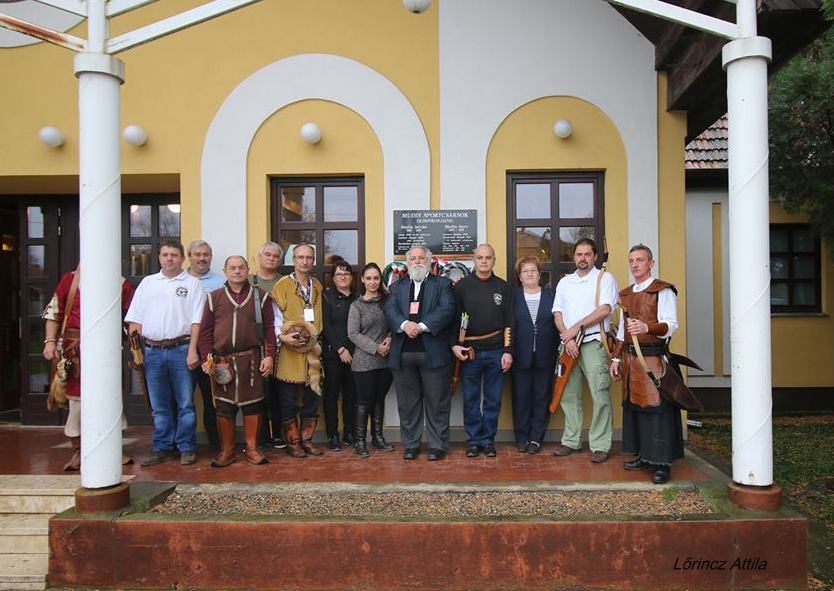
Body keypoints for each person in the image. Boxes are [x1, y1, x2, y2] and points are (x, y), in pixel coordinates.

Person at [42, 266, 135, 470]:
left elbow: (132, 318)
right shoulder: (69, 281)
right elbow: (54, 312)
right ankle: (78, 451)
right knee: (77, 401)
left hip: (107, 349)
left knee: (109, 397)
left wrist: (136, 349)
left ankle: (113, 449)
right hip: (75, 352)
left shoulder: (121, 283)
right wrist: (50, 341)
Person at [125, 239, 206, 466]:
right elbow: (135, 320)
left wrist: (193, 351)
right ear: (159, 258)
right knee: (159, 405)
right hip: (152, 351)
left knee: (185, 403)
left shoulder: (192, 284)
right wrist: (136, 351)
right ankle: (162, 447)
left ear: (182, 258)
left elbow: (197, 322)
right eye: (165, 255)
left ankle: (186, 447)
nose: (169, 258)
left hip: (181, 349)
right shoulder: (148, 283)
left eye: (174, 255)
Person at [610, 244, 682, 484]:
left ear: (651, 263)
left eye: (640, 260)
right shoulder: (626, 295)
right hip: (631, 361)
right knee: (636, 409)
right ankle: (643, 455)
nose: (635, 265)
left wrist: (647, 327)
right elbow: (622, 331)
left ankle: (661, 463)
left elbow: (670, 325)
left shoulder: (663, 290)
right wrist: (616, 358)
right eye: (631, 260)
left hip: (653, 360)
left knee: (657, 410)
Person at [197, 255, 277, 467]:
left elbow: (269, 329)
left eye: (241, 267)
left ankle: (252, 449)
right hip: (222, 361)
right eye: (232, 268)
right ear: (225, 271)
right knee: (224, 408)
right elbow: (205, 331)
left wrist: (269, 355)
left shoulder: (261, 296)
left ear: (247, 270)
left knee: (253, 406)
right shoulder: (214, 297)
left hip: (251, 360)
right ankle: (227, 451)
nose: (237, 271)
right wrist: (206, 358)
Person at [384, 245, 455, 461]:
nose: (417, 261)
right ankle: (411, 445)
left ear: (429, 261)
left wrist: (422, 326)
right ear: (407, 263)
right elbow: (390, 310)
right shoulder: (396, 287)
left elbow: (447, 310)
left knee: (437, 403)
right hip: (403, 355)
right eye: (413, 258)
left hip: (433, 355)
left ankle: (437, 446)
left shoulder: (442, 284)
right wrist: (405, 324)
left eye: (421, 258)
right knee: (408, 405)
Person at [551, 238, 618, 463]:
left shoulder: (604, 278)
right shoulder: (565, 282)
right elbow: (557, 313)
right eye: (579, 254)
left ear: (595, 256)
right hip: (567, 346)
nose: (583, 258)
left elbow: (605, 309)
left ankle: (600, 445)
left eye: (587, 254)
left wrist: (576, 328)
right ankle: (571, 441)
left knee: (600, 394)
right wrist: (567, 336)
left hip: (592, 343)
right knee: (569, 395)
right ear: (574, 257)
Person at [451, 244, 514, 458]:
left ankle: (488, 440)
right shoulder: (462, 287)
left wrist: (508, 350)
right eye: (480, 258)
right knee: (470, 398)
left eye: (488, 257)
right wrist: (454, 345)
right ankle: (473, 440)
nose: (484, 261)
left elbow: (510, 322)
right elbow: (454, 319)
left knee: (493, 400)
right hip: (470, 352)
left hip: (497, 351)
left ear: (494, 260)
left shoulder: (504, 287)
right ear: (474, 260)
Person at [272, 243, 324, 458]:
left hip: (313, 352)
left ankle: (307, 440)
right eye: (300, 257)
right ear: (293, 260)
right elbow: (274, 317)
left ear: (313, 260)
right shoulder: (283, 285)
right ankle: (293, 442)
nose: (305, 261)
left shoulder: (317, 285)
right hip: (289, 351)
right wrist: (282, 337)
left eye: (309, 257)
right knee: (288, 399)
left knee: (313, 396)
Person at [510, 256, 558, 454]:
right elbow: (509, 326)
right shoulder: (513, 297)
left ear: (539, 274)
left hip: (545, 355)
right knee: (521, 398)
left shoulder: (551, 296)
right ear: (520, 276)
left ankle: (536, 439)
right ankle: (522, 438)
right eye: (525, 271)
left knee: (541, 397)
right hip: (520, 356)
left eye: (533, 270)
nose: (529, 274)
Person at [347, 262, 393, 457]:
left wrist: (390, 338)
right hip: (364, 361)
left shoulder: (388, 301)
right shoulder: (356, 306)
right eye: (369, 278)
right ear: (362, 280)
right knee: (364, 401)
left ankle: (378, 437)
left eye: (376, 278)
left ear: (380, 280)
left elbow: (395, 323)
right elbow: (352, 333)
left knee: (379, 399)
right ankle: (360, 440)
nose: (373, 282)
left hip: (385, 360)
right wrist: (375, 348)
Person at [186, 239, 225, 452]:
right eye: (197, 254)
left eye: (206, 255)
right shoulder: (179, 281)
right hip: (182, 347)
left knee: (212, 400)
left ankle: (217, 446)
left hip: (210, 348)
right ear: (189, 257)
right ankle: (182, 446)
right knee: (182, 401)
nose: (202, 258)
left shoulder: (221, 282)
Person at [249, 241, 286, 449]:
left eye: (275, 256)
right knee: (255, 392)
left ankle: (278, 433)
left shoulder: (285, 282)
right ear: (259, 256)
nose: (271, 258)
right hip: (252, 344)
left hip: (279, 344)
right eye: (268, 255)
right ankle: (259, 435)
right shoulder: (248, 281)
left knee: (277, 392)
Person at [322, 259, 357, 451]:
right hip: (333, 355)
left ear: (351, 277)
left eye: (346, 273)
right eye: (339, 274)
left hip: (355, 354)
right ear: (333, 278)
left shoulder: (357, 298)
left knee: (351, 395)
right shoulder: (326, 297)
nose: (343, 277)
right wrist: (340, 349)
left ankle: (349, 432)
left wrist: (351, 350)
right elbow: (326, 326)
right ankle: (332, 434)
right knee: (331, 395)